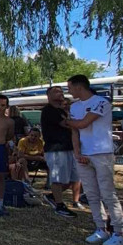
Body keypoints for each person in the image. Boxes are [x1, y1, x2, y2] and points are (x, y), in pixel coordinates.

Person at [65, 75, 123, 245]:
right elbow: (74, 131)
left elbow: (83, 123)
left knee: (108, 193)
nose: (69, 91)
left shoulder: (101, 102)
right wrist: (77, 152)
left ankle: (119, 232)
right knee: (91, 193)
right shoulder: (74, 106)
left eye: (70, 88)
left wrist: (67, 121)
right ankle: (100, 228)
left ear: (79, 87)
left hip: (101, 152)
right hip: (84, 154)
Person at [40, 85, 82, 216]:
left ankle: (52, 196)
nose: (60, 93)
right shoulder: (49, 110)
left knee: (72, 178)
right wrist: (83, 124)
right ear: (49, 95)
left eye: (61, 91)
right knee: (58, 178)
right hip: (56, 148)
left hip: (69, 147)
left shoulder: (62, 111)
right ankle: (59, 205)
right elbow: (67, 124)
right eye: (56, 91)